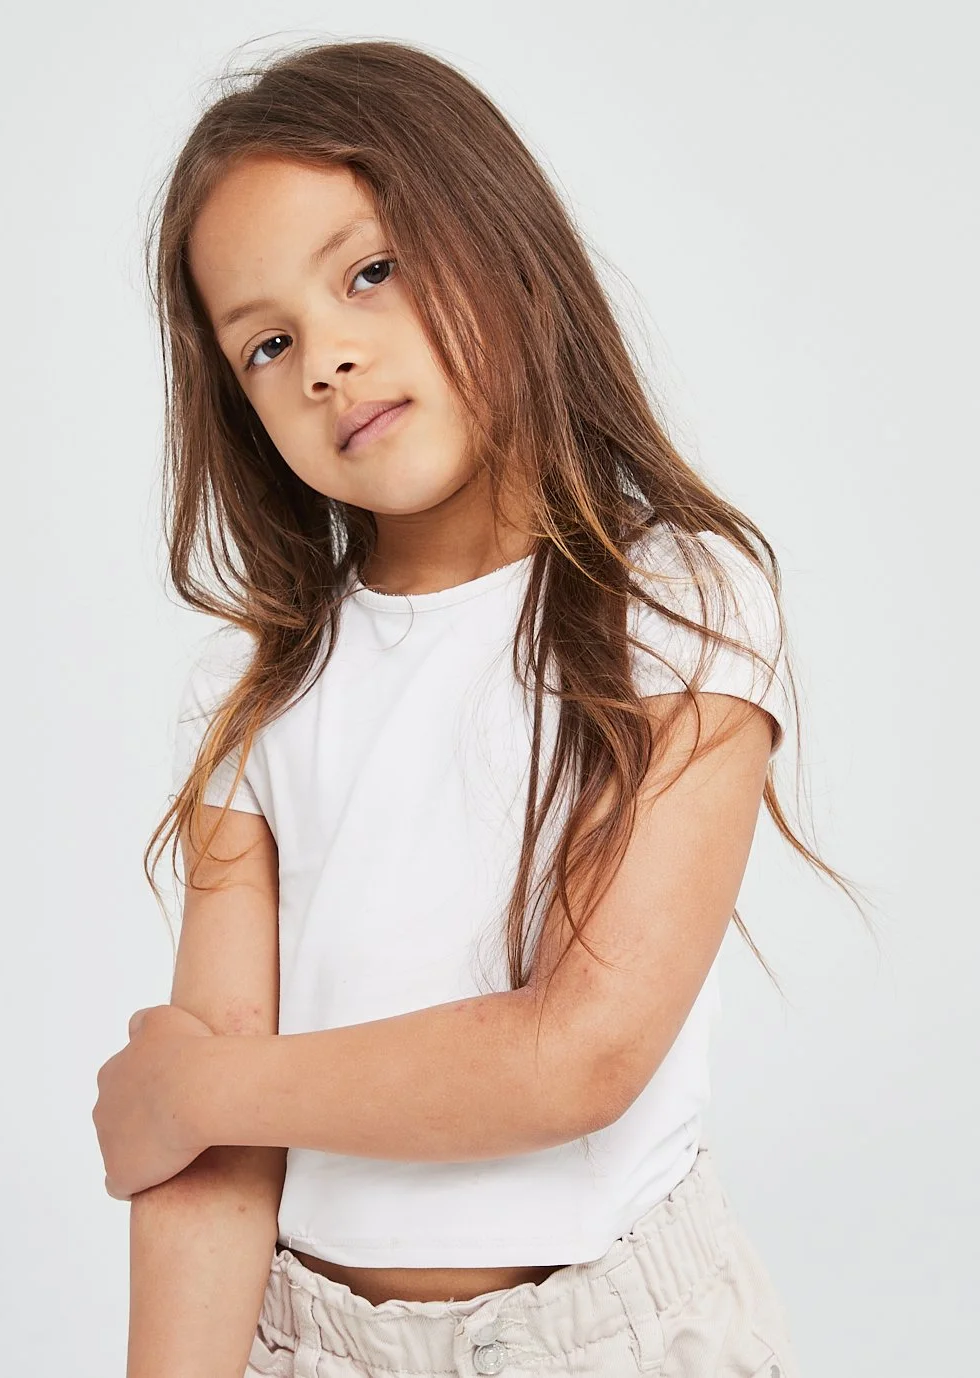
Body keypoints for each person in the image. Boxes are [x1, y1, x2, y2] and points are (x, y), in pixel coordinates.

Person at [92, 35, 870, 1378]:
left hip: (610, 1338)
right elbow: (203, 1176)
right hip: (311, 1343)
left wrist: (199, 1086)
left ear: (502, 243)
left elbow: (579, 1052)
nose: (326, 357)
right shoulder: (255, 689)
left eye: (370, 272)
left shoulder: (680, 602)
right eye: (269, 342)